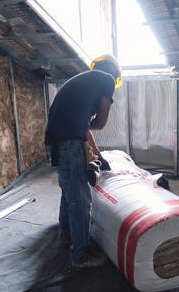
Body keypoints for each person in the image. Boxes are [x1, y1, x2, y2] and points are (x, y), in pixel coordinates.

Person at [45, 54, 122, 268]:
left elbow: (81, 126)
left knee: (68, 188)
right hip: (70, 144)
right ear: (114, 74)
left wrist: (97, 153)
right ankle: (81, 255)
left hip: (54, 142)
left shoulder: (82, 82)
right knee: (81, 199)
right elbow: (101, 122)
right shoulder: (107, 80)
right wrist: (94, 123)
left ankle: (66, 234)